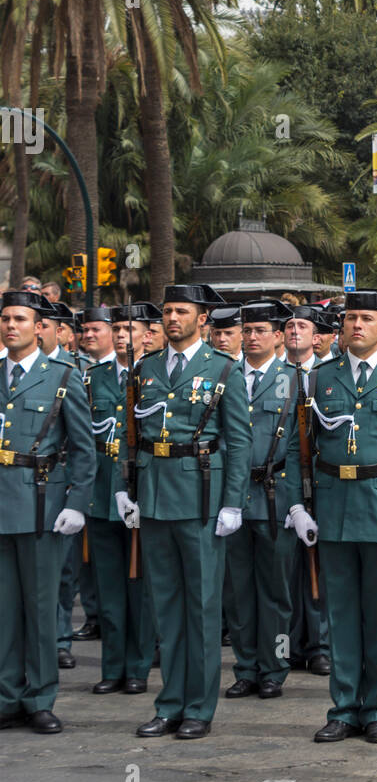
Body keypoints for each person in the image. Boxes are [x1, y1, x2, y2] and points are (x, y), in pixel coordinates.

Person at [116, 285, 252, 740]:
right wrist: (124, 488)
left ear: (202, 318)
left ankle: (198, 707)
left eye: (182, 311)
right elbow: (129, 431)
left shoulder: (223, 368)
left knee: (202, 607)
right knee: (166, 607)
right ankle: (169, 703)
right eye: (168, 311)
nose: (172, 318)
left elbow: (239, 441)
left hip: (201, 498)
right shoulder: (146, 367)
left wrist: (233, 501)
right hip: (155, 494)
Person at [307, 289, 377, 745]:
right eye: (351, 318)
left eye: (367, 319)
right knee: (341, 613)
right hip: (334, 503)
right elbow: (302, 446)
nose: (357, 326)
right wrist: (299, 505)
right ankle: (343, 708)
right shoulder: (321, 377)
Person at [0, 290, 95, 733]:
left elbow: (84, 448)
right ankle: (7, 697)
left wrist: (77, 503)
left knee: (40, 608)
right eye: (5, 319)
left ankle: (39, 698)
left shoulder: (62, 375)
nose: (10, 326)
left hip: (42, 504)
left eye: (19, 319)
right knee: (4, 610)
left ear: (39, 327)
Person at [223, 301, 308, 700]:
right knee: (238, 592)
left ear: (277, 336)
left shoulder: (292, 379)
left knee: (276, 594)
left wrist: (296, 503)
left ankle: (274, 667)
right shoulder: (225, 376)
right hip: (233, 498)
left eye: (260, 331)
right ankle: (245, 668)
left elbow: (300, 447)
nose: (252, 337)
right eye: (247, 330)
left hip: (276, 497)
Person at [85, 304, 159, 696]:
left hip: (140, 491)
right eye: (116, 329)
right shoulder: (93, 376)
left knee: (140, 588)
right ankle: (112, 667)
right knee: (109, 588)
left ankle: (138, 668)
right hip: (101, 494)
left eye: (129, 329)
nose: (120, 335)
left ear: (147, 336)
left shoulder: (155, 374)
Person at [57, 306, 113, 663]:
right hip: (62, 476)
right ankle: (70, 631)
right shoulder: (77, 370)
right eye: (84, 330)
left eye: (96, 329)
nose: (88, 335)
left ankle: (99, 619)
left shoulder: (122, 373)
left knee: (98, 561)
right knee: (70, 564)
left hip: (104, 480)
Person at [283, 305, 330, 675]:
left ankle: (320, 645)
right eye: (289, 325)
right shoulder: (274, 374)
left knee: (318, 571)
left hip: (318, 482)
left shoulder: (325, 377)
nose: (294, 331)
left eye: (302, 325)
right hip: (278, 487)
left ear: (317, 338)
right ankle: (290, 644)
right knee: (285, 575)